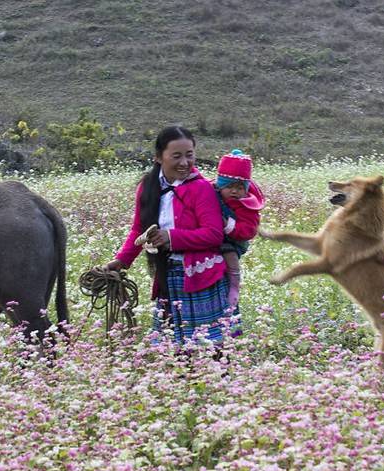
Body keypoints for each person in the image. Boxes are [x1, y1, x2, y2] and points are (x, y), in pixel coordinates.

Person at [105, 126, 232, 344]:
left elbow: (213, 234)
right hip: (169, 276)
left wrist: (170, 238)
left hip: (201, 276)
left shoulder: (201, 188)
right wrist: (121, 261)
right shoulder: (148, 187)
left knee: (211, 348)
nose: (184, 162)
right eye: (176, 156)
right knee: (174, 347)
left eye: (189, 155)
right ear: (158, 157)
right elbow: (139, 230)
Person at [213, 149, 265, 308]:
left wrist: (227, 225)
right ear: (220, 185)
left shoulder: (248, 205)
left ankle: (234, 286)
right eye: (229, 186)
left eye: (240, 188)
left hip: (235, 241)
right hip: (216, 238)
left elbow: (249, 230)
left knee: (230, 255)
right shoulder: (213, 194)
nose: (234, 191)